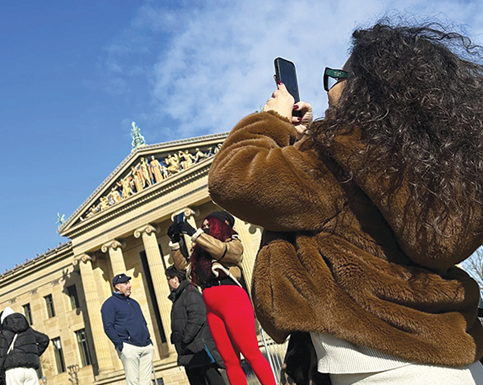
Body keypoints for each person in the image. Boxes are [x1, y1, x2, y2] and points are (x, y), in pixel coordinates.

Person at [207, 23, 483, 384]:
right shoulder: (428, 163)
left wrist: (271, 121)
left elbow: (233, 178)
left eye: (337, 74)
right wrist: (311, 135)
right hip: (452, 359)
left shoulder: (334, 156)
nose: (330, 84)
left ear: (365, 88)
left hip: (374, 364)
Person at [169, 211, 277, 385]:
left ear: (224, 223)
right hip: (211, 305)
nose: (204, 227)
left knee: (251, 353)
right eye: (202, 225)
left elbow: (221, 251)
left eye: (208, 224)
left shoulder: (233, 241)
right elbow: (183, 267)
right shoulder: (202, 251)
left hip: (232, 299)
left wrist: (195, 234)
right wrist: (175, 242)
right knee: (229, 361)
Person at [165, 266, 226, 385]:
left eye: (169, 279)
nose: (168, 282)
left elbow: (197, 317)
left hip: (199, 349)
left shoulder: (190, 293)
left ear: (176, 279)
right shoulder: (180, 296)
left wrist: (185, 338)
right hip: (189, 352)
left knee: (213, 379)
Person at [100, 274, 154, 385]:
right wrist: (121, 346)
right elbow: (108, 327)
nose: (129, 286)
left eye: (129, 283)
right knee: (133, 382)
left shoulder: (134, 302)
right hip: (129, 347)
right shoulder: (109, 304)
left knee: (146, 383)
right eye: (126, 284)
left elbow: (143, 322)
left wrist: (149, 341)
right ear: (117, 287)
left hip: (146, 346)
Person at [0, 306, 50, 385]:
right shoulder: (28, 330)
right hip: (31, 371)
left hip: (13, 372)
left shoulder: (4, 333)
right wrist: (30, 355)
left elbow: (1, 359)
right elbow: (44, 339)